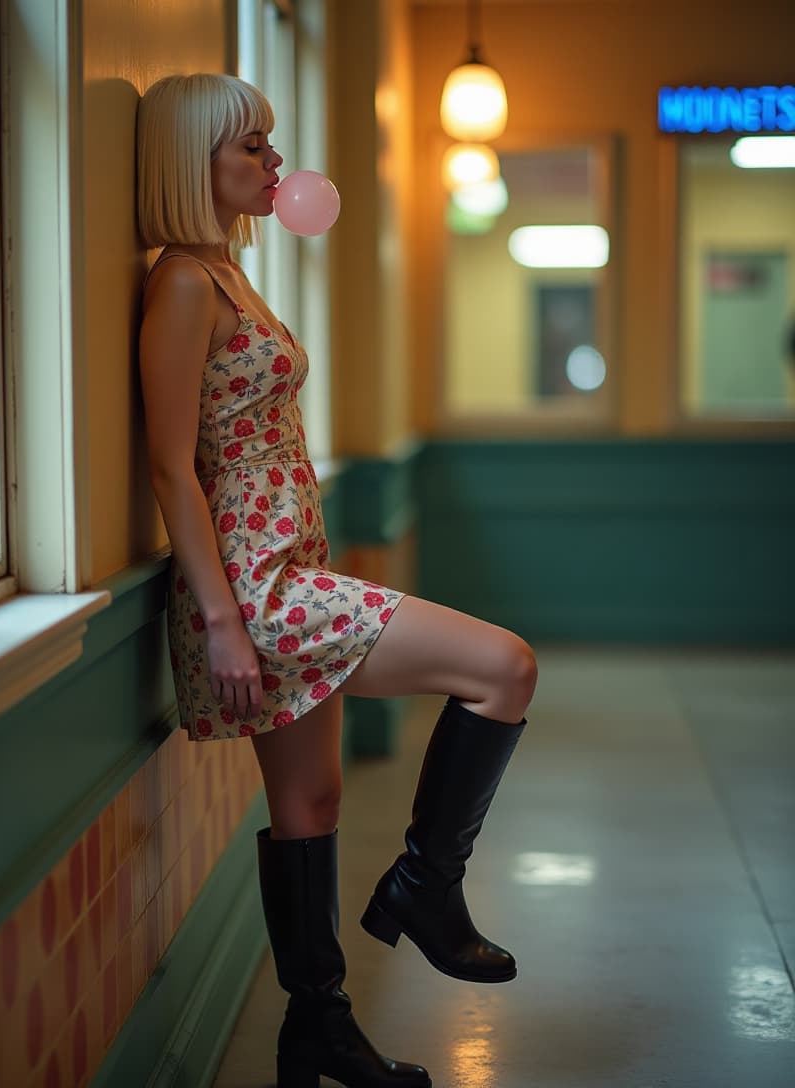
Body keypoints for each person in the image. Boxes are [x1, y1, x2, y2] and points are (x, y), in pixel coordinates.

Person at [137, 73, 538, 1088]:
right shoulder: (182, 281)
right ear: (196, 164)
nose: (275, 164)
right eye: (251, 148)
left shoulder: (229, 273)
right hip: (256, 590)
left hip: (288, 566)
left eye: (270, 144)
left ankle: (315, 1025)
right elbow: (168, 464)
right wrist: (225, 623)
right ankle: (423, 885)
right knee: (502, 666)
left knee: (309, 802)